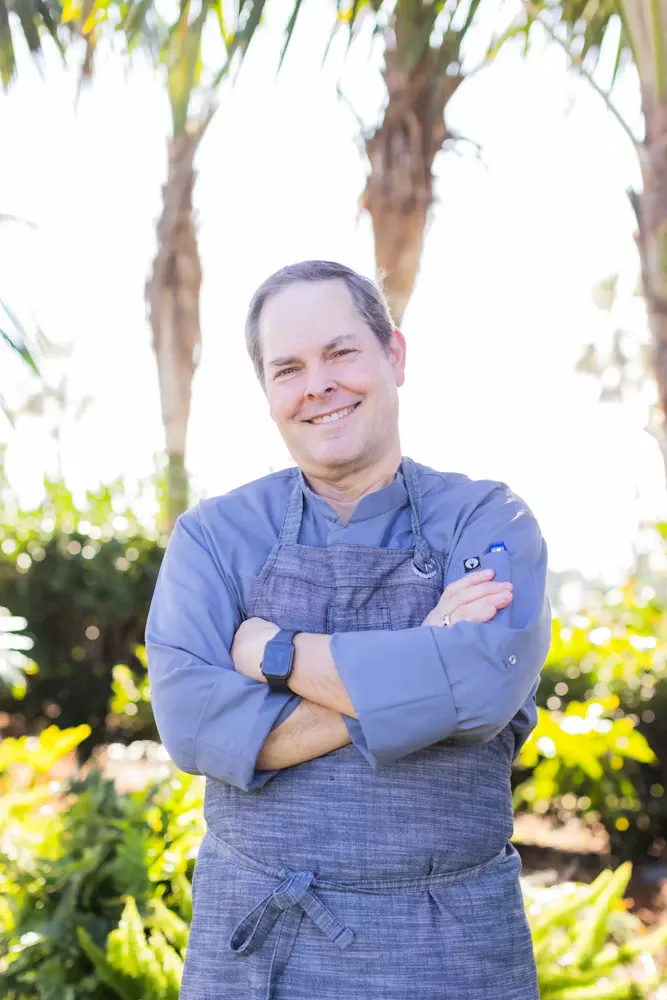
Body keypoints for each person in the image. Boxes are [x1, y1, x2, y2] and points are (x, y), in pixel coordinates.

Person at [146, 260, 552, 1000]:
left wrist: (276, 654)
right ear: (267, 392)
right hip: (257, 950)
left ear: (394, 355)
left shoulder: (486, 519)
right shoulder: (213, 536)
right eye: (288, 368)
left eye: (340, 353)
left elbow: (479, 688)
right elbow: (194, 726)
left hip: (451, 944)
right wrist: (419, 665)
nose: (318, 385)